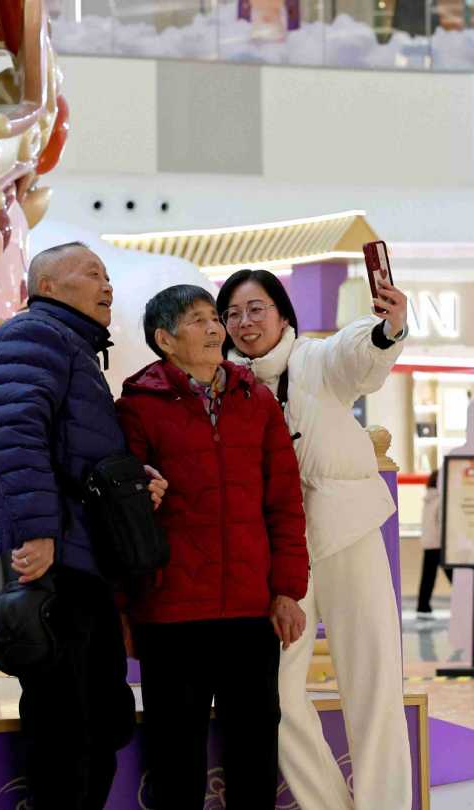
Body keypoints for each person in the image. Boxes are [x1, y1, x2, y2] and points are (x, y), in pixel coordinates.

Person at [0, 242, 167, 810]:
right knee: (66, 723)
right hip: (49, 558)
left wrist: (134, 483)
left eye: (107, 276)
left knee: (100, 717)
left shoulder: (71, 346)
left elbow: (75, 452)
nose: (107, 286)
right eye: (92, 274)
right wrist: (37, 531)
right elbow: (15, 432)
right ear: (48, 287)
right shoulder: (31, 335)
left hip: (79, 554)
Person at [216, 268, 412, 810]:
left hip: (347, 533)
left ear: (283, 314)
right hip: (278, 556)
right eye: (232, 313)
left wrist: (386, 329)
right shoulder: (223, 384)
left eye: (256, 309)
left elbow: (356, 355)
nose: (245, 322)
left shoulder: (316, 360)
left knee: (373, 682)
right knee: (275, 692)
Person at [116, 285, 309, 810]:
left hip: (250, 610)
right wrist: (126, 607)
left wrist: (288, 591)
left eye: (213, 318)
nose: (214, 329)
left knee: (255, 751)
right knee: (176, 758)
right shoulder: (136, 408)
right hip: (171, 613)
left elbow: (284, 503)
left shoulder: (257, 401)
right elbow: (123, 520)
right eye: (197, 320)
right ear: (165, 339)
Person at [416, 469, 452, 619]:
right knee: (454, 576)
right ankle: (466, 601)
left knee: (427, 578)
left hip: (429, 542)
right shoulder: (441, 499)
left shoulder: (428, 498)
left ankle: (423, 606)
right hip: (440, 543)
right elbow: (442, 523)